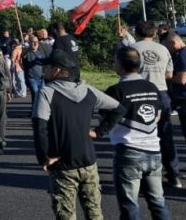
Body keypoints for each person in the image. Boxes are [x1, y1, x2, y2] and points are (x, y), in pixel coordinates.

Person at [33, 50, 124, 220]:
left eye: (47, 66)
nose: (44, 70)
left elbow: (40, 127)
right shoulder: (88, 90)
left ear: (57, 70)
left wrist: (43, 157)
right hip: (89, 161)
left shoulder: (46, 92)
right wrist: (99, 131)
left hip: (62, 163)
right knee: (94, 212)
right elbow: (118, 109)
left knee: (66, 214)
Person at [98, 47, 170, 220]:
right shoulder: (152, 87)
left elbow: (106, 117)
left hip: (129, 151)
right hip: (153, 151)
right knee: (158, 202)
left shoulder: (115, 91)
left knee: (130, 205)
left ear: (121, 66)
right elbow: (158, 115)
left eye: (115, 61)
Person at [122, 21, 183, 187]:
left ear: (137, 32)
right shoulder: (163, 49)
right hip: (161, 92)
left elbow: (122, 70)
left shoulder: (132, 48)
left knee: (139, 135)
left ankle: (142, 176)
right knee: (165, 134)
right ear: (154, 34)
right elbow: (169, 74)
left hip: (138, 92)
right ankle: (174, 175)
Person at [162, 32, 186, 182]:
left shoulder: (183, 55)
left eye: (167, 46)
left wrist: (167, 76)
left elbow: (182, 79)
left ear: (173, 43)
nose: (168, 49)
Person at [23, 36, 47, 108]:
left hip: (41, 78)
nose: (35, 43)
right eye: (33, 42)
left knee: (42, 95)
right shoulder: (27, 53)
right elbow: (23, 56)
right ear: (29, 43)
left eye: (36, 42)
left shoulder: (40, 53)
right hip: (32, 78)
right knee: (36, 94)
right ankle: (35, 111)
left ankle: (37, 110)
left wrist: (44, 73)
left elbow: (44, 63)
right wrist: (26, 50)